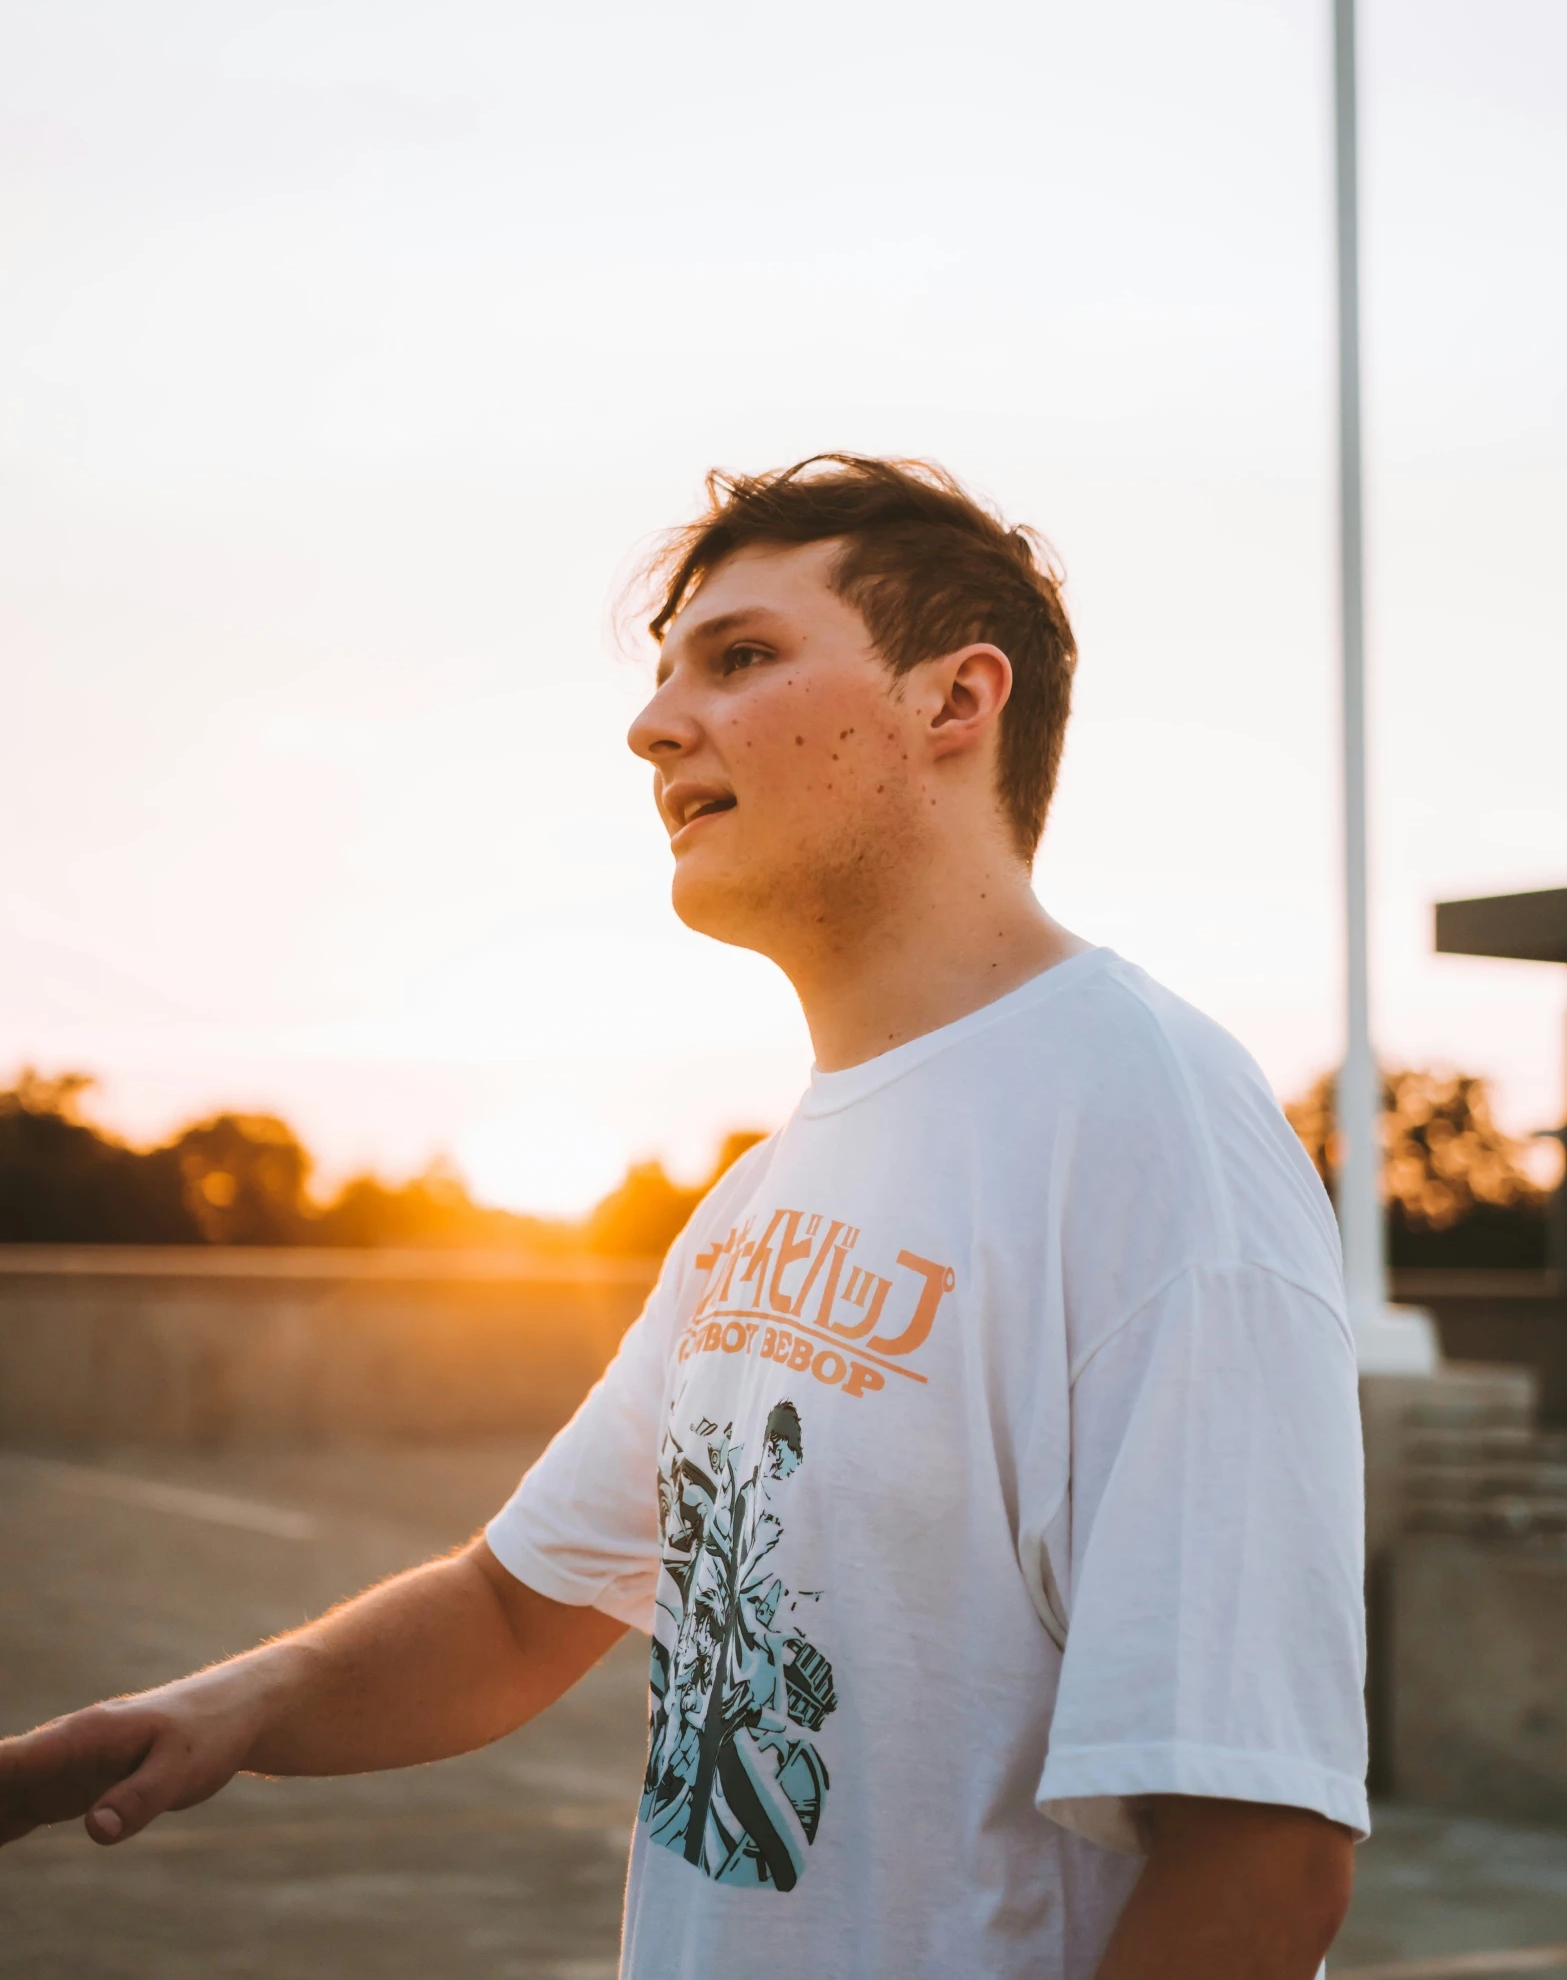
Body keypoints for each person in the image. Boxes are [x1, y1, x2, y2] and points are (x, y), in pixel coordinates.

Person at [0, 455, 1367, 1979]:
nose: (654, 726)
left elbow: (1262, 1850)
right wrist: (221, 1709)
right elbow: (515, 1612)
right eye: (665, 679)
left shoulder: (1146, 1115)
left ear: (952, 701)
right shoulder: (762, 1191)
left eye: (742, 657)